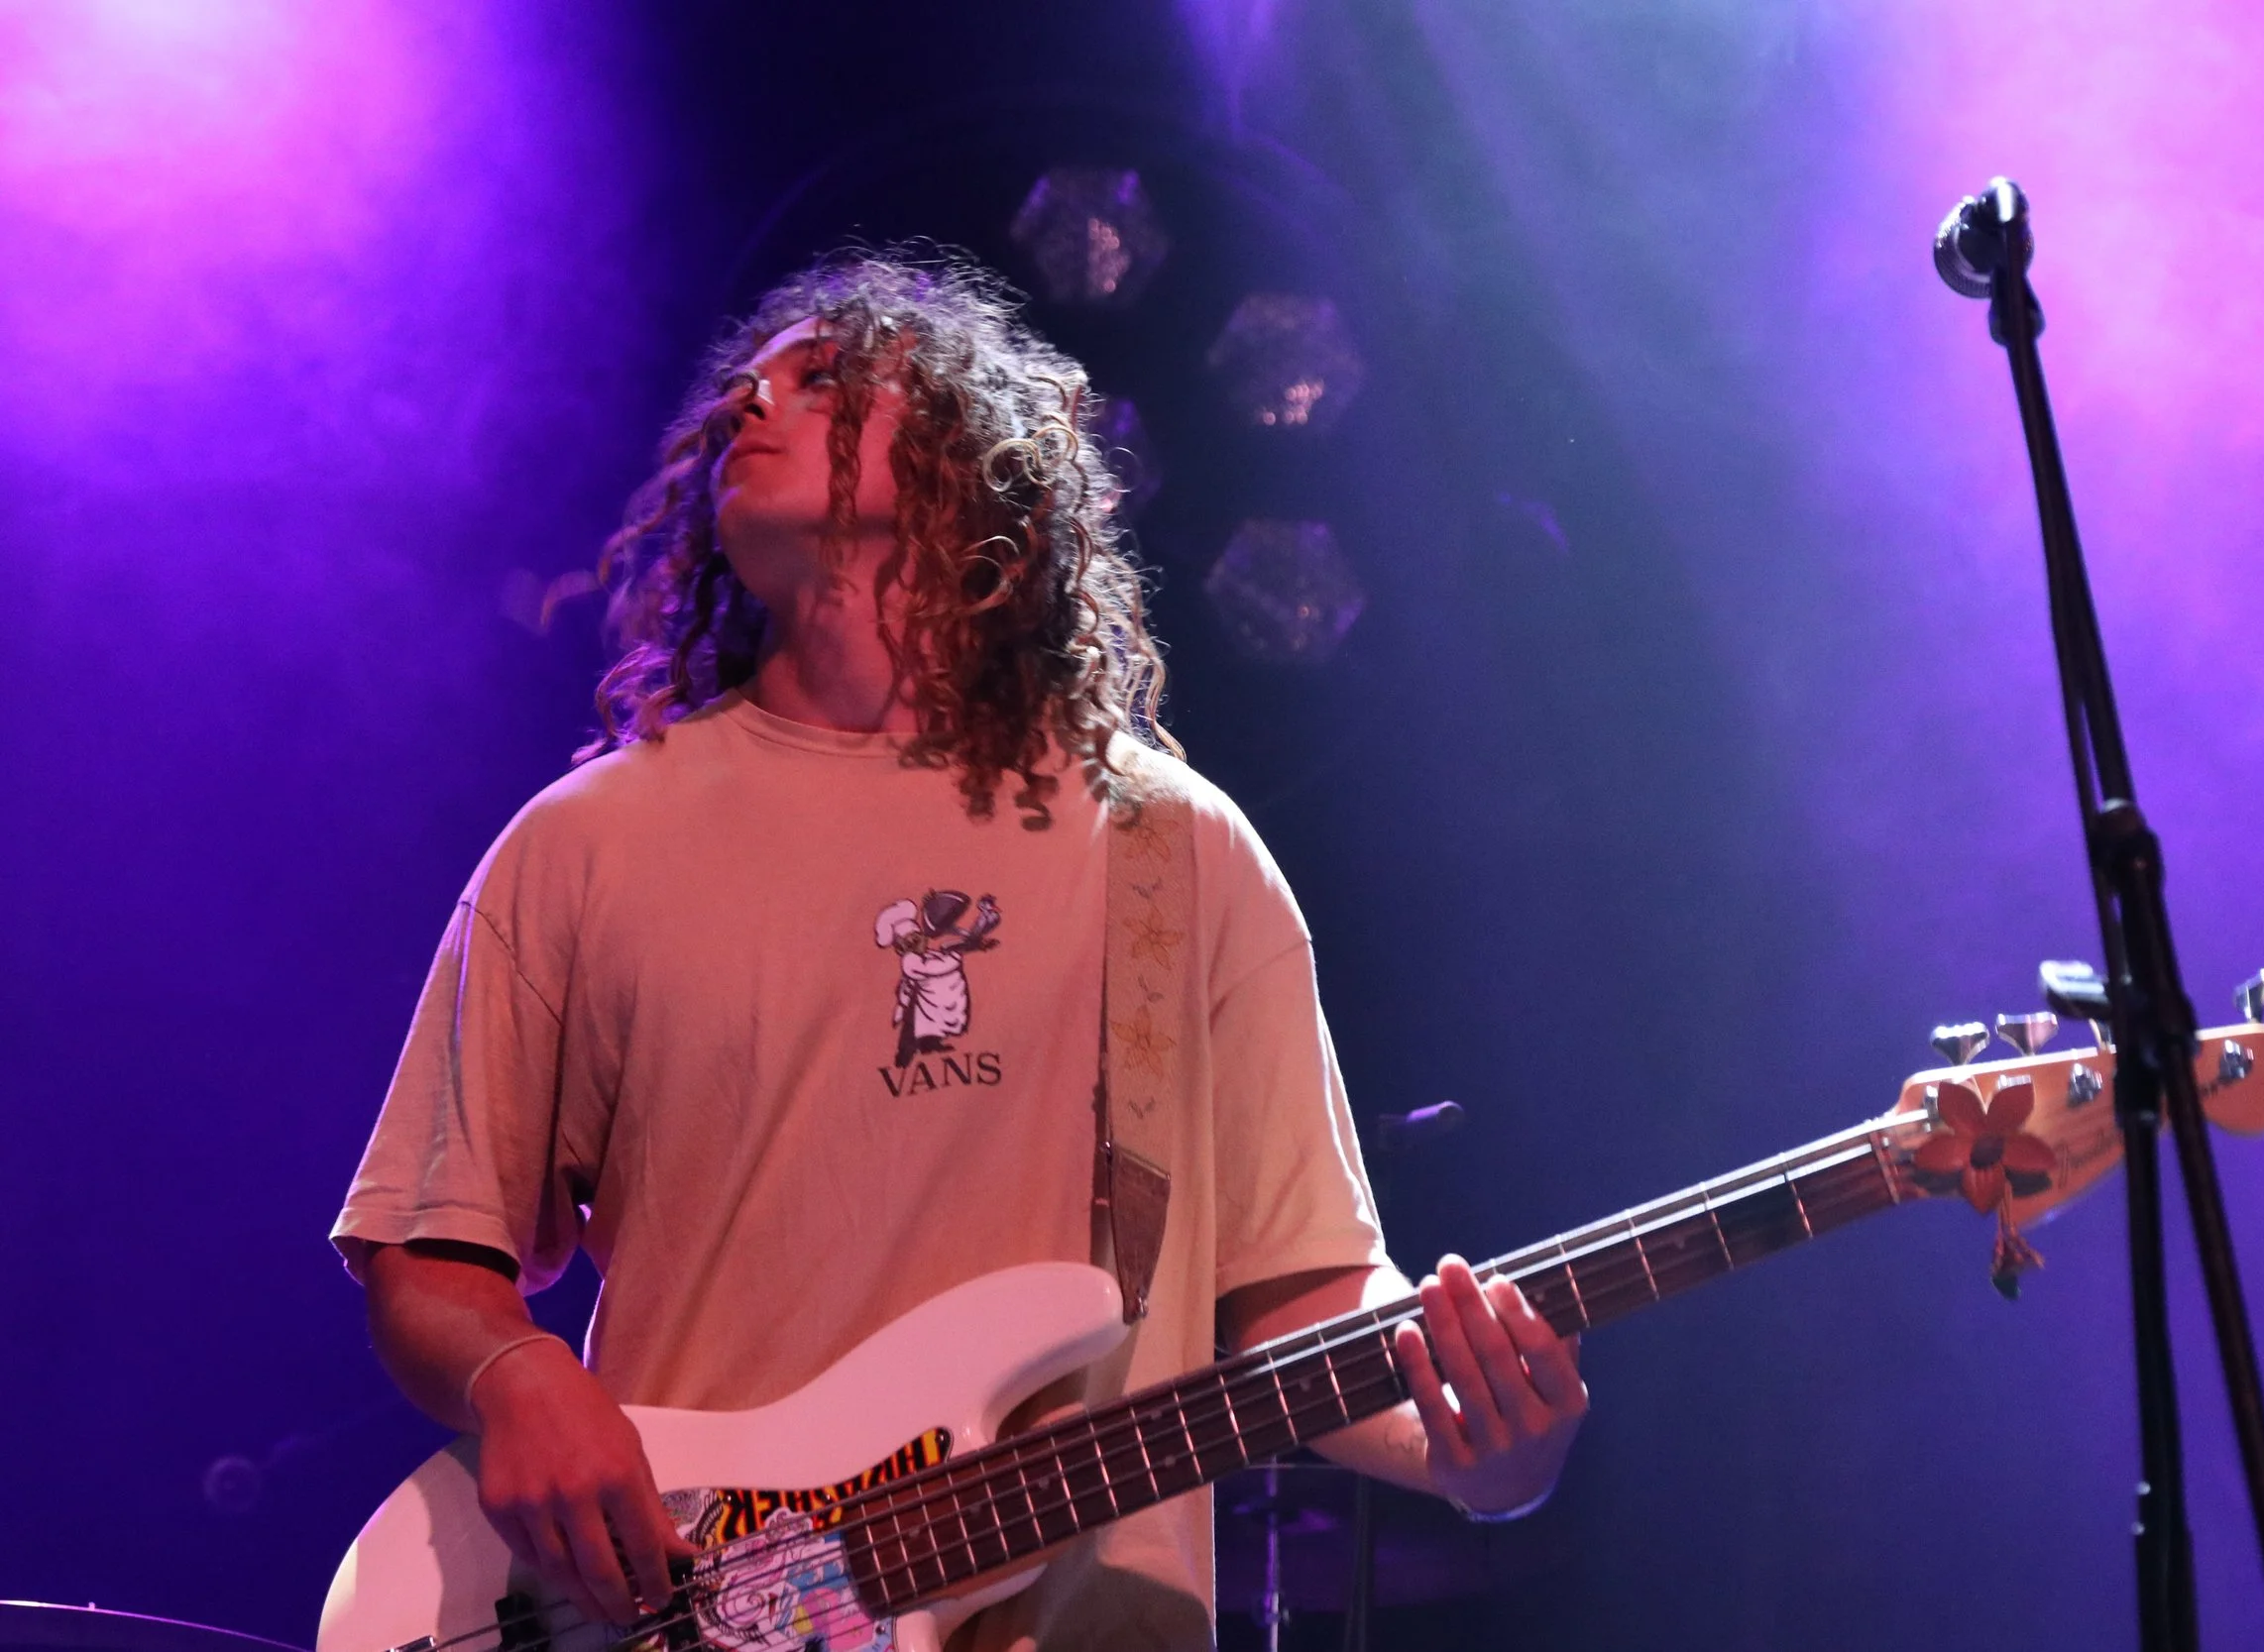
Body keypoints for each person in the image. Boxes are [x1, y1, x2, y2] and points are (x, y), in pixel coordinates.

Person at [332, 252, 1586, 1650]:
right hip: (687, 1615)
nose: (751, 396)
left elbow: (1299, 1290)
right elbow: (422, 1248)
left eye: (822, 376)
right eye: (747, 380)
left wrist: (1483, 1451)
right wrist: (515, 1374)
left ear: (971, 461)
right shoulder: (584, 843)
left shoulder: (1174, 851)